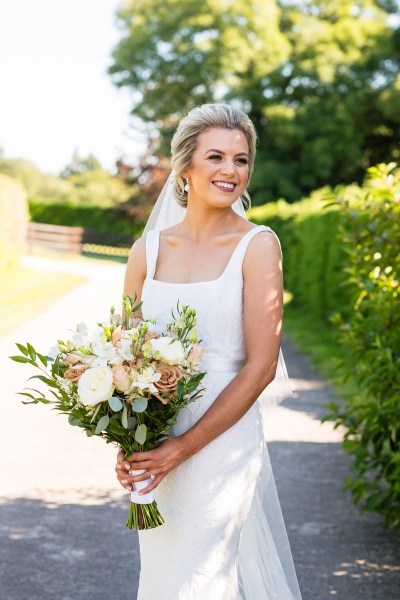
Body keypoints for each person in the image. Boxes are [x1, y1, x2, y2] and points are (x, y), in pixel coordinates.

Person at [116, 103, 302, 600]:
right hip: (158, 434)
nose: (230, 171)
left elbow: (261, 367)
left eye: (241, 160)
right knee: (160, 576)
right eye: (216, 156)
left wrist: (185, 446)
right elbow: (124, 362)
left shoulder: (258, 245)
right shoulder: (146, 251)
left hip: (222, 440)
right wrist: (130, 442)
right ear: (185, 167)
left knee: (202, 578)